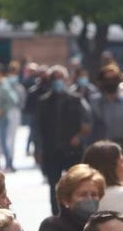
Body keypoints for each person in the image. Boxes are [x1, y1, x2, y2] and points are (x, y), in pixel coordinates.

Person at [35, 65, 90, 214]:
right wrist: (38, 150)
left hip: (73, 151)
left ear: (66, 80)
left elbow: (87, 122)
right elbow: (38, 128)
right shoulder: (43, 102)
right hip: (52, 150)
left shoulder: (76, 100)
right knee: (54, 185)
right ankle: (57, 213)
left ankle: (75, 212)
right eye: (54, 78)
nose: (57, 81)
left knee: (75, 183)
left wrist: (79, 137)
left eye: (60, 78)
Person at [35, 164, 106, 231]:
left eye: (94, 194)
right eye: (83, 195)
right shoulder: (52, 227)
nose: (90, 199)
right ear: (67, 199)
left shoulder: (102, 226)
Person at [91, 63, 123, 151]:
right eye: (107, 79)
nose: (110, 82)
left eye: (113, 79)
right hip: (101, 148)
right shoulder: (95, 101)